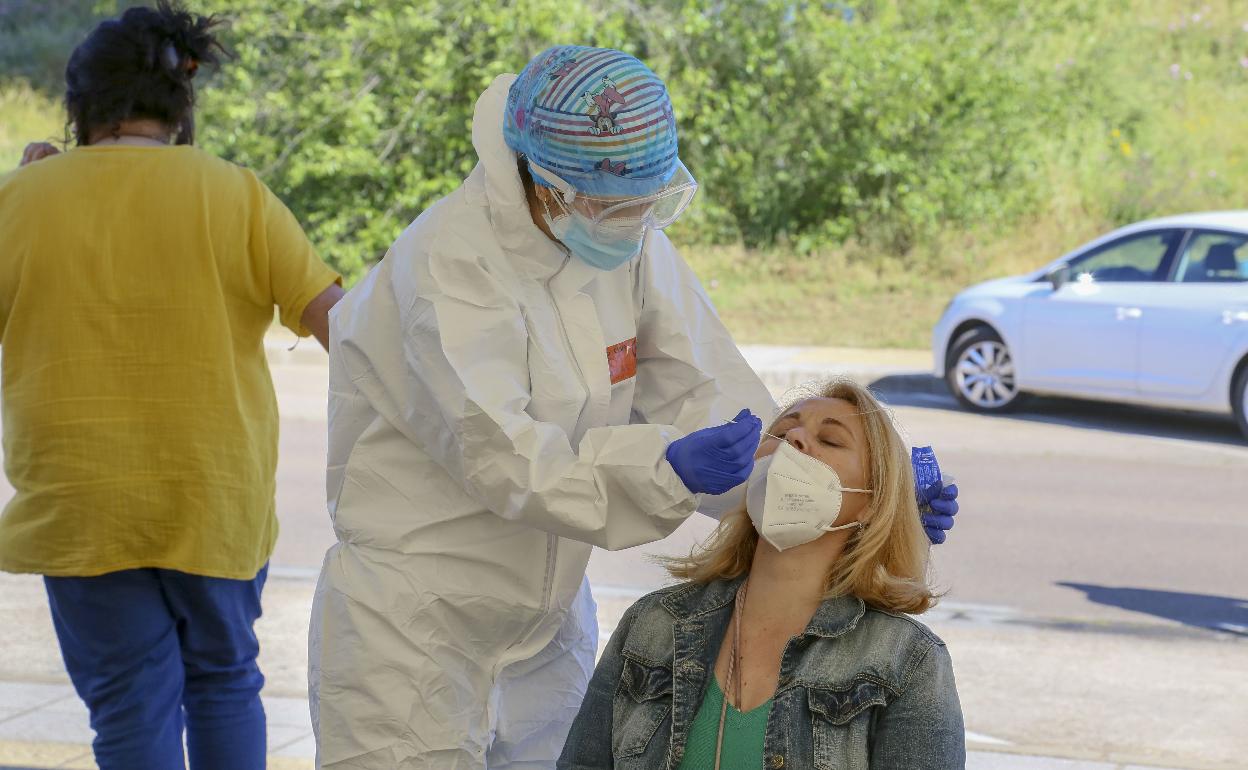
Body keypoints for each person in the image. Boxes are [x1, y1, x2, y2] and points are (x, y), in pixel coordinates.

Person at [308, 45, 957, 769]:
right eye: (623, 206)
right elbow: (509, 460)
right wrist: (667, 470)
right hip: (415, 624)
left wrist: (870, 495)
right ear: (550, 189)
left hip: (544, 619)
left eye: (653, 203)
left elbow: (713, 395)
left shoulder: (623, 236)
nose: (641, 221)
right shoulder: (448, 271)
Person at [0, 3, 344, 769]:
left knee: (129, 701)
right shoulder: (237, 193)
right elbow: (342, 325)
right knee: (225, 683)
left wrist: (31, 197)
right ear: (181, 108)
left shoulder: (21, 201)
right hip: (213, 494)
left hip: (80, 499)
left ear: (80, 106)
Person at [559, 378, 965, 769]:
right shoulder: (653, 625)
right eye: (783, 431)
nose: (793, 441)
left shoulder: (907, 662)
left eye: (829, 440)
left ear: (873, 503)